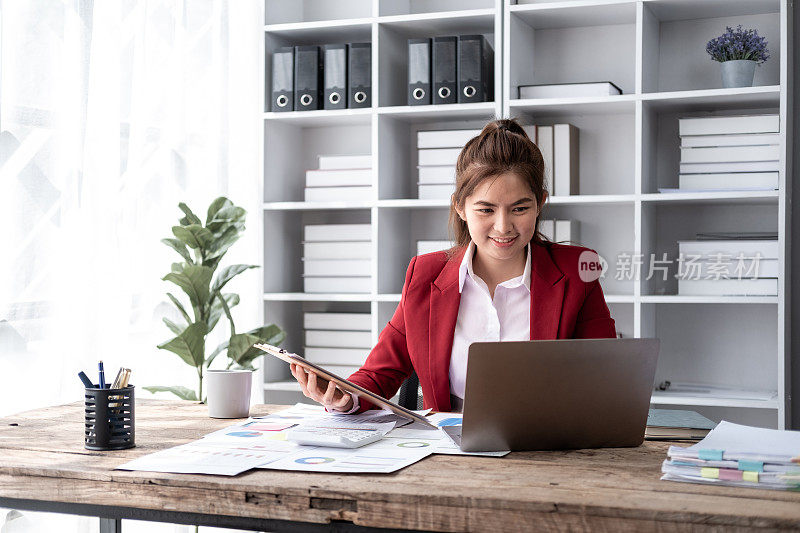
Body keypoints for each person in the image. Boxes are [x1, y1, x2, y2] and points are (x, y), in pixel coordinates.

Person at [290, 118, 616, 414]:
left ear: (540, 204)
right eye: (486, 210)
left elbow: (606, 378)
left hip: (547, 449)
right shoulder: (425, 274)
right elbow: (381, 372)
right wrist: (345, 399)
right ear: (460, 207)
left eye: (519, 209)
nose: (503, 227)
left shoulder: (577, 271)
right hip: (450, 452)